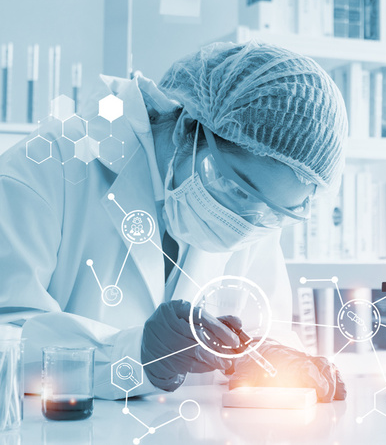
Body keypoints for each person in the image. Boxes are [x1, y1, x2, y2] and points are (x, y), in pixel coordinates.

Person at [0, 41, 348, 402]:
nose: (245, 224)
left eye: (276, 213)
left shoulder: (257, 215)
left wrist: (272, 359)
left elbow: (265, 329)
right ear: (187, 129)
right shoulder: (45, 167)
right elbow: (6, 345)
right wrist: (134, 355)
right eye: (240, 192)